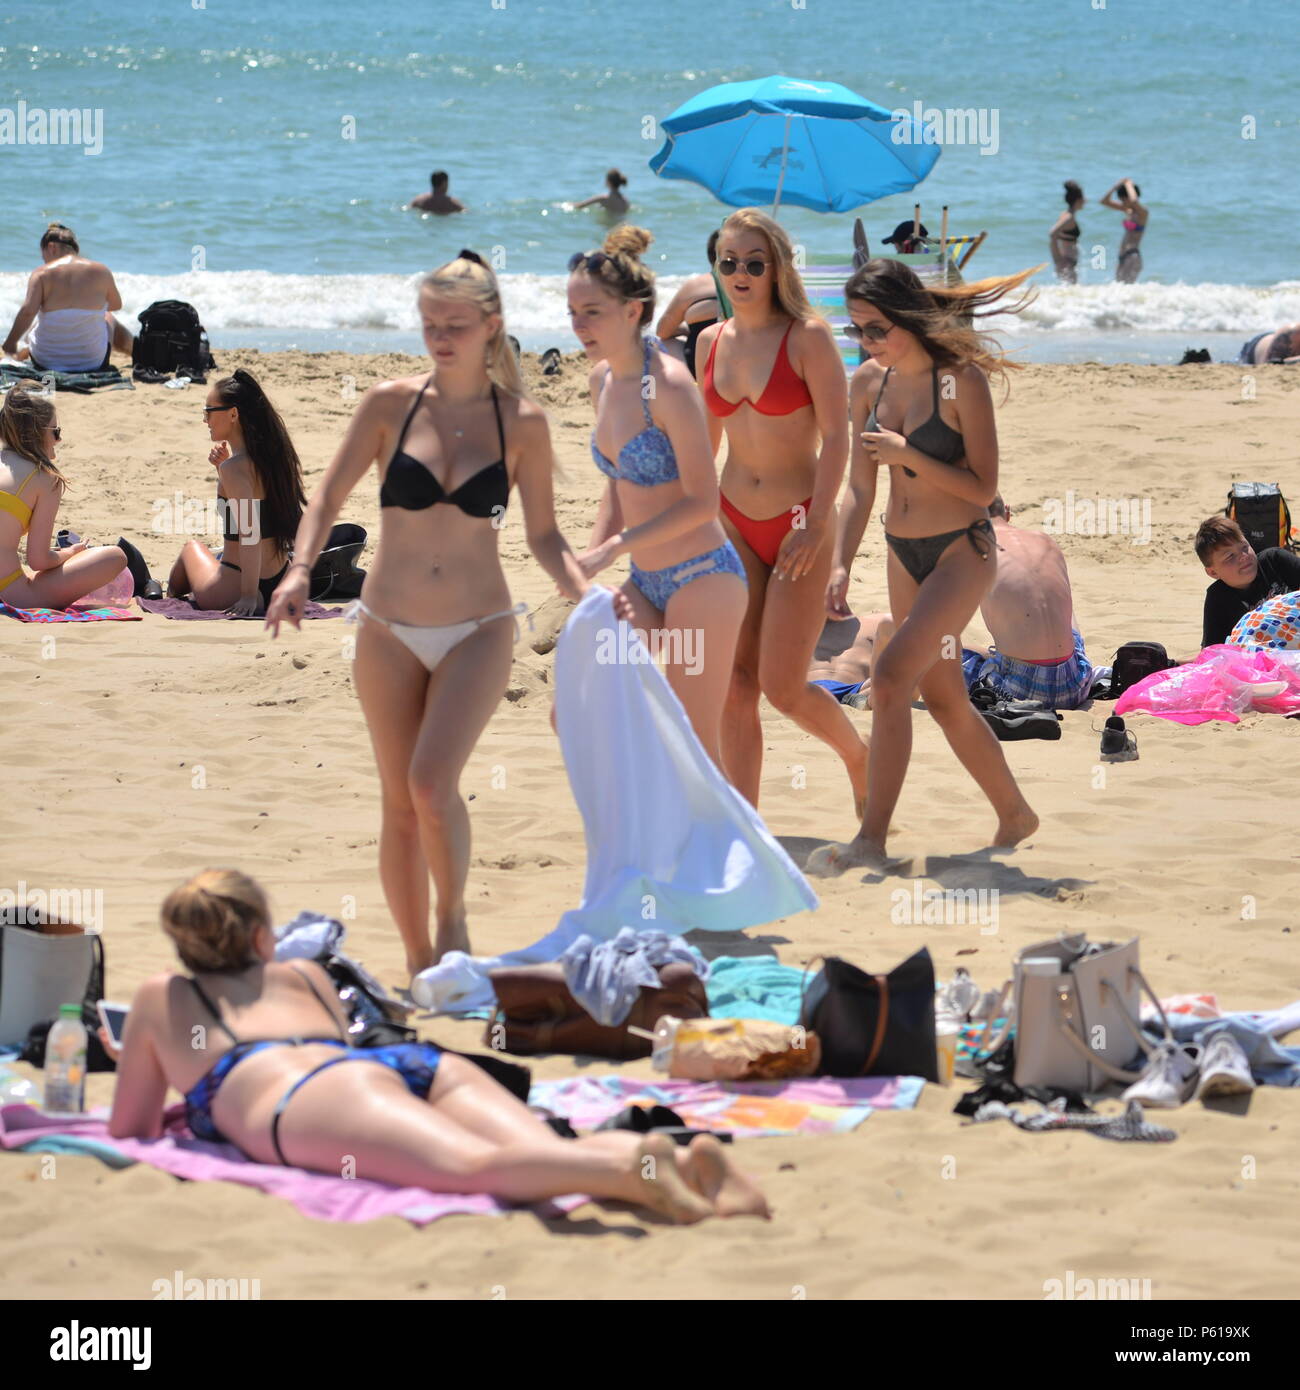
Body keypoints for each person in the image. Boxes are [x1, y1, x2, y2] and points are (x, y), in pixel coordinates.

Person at [264, 250, 608, 980]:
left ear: (492, 326)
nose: (441, 337)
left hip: (479, 630)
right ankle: (420, 961)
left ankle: (452, 922)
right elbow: (325, 498)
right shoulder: (391, 404)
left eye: (456, 324)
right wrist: (297, 570)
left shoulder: (523, 423)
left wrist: (585, 591)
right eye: (430, 324)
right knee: (397, 804)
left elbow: (544, 536)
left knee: (429, 784)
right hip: (386, 629)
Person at [102, 869, 768, 1222]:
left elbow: (130, 1128)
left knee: (476, 1169)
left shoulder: (164, 996)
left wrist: (134, 1053)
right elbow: (342, 1042)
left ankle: (628, 1171)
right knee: (535, 1147)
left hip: (311, 1100)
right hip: (396, 1066)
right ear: (260, 937)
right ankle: (684, 1168)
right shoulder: (303, 973)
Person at [811, 258, 1041, 873]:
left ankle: (872, 840)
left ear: (908, 316)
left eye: (878, 328)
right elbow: (859, 487)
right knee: (945, 700)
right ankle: (1015, 812)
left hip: (961, 553)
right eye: (858, 330)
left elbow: (982, 486)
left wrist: (907, 452)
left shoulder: (959, 381)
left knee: (888, 679)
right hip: (900, 551)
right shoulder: (868, 385)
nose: (869, 342)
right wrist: (839, 563)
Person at [695, 208, 867, 815]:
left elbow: (840, 437)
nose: (740, 273)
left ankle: (858, 756)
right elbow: (708, 445)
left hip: (799, 524)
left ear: (777, 269)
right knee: (734, 687)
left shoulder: (809, 337)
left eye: (754, 263)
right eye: (729, 262)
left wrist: (820, 524)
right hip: (731, 523)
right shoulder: (708, 342)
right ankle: (743, 823)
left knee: (784, 687)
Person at [567, 226, 747, 769]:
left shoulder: (669, 385)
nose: (579, 326)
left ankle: (716, 849)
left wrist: (611, 549)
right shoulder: (601, 381)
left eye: (592, 312)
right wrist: (589, 564)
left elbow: (702, 501)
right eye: (573, 312)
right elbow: (618, 484)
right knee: (593, 707)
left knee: (691, 741)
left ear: (633, 311)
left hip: (704, 579)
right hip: (644, 583)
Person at [167, 370, 306, 616]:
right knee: (211, 555)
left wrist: (249, 596)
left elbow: (250, 535)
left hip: (241, 585)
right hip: (283, 580)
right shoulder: (275, 460)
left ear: (233, 414)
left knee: (191, 548)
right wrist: (223, 469)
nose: (205, 420)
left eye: (209, 411)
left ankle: (167, 596)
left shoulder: (235, 469)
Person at [959, 496, 1095, 709]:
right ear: (1007, 512)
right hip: (1077, 682)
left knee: (940, 648)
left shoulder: (975, 551)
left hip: (1018, 692)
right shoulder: (1046, 541)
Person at [0, 384, 130, 606]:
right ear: (38, 433)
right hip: (9, 591)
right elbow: (38, 560)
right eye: (55, 431)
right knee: (115, 557)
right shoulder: (44, 478)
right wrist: (70, 552)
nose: (58, 440)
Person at [2, 224, 134, 371]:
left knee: (39, 321)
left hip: (44, 361)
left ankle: (23, 352)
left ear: (51, 247)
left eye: (44, 256)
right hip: (92, 362)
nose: (45, 262)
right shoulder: (101, 270)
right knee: (108, 316)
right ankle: (137, 352)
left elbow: (27, 312)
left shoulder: (41, 274)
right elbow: (116, 304)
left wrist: (10, 342)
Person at [1195, 515, 1300, 648]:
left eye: (1244, 547)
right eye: (1230, 556)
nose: (1243, 557)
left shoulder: (1274, 561)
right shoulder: (1218, 598)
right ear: (1213, 572)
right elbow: (1214, 652)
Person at [655, 229, 723, 380]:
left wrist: (687, 330)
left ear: (711, 255)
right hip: (752, 363)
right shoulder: (760, 285)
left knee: (659, 346)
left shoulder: (697, 285)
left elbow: (663, 331)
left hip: (699, 368)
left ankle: (649, 400)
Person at [808, 611, 895, 710]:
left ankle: (864, 701)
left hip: (859, 690)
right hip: (808, 688)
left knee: (892, 684)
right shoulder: (800, 627)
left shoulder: (878, 621)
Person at [1100, 179, 1147, 284]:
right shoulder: (1128, 211)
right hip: (1123, 257)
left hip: (1132, 256)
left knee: (1125, 289)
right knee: (1119, 289)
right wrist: (1115, 187)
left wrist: (1128, 183)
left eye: (1123, 200)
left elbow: (1134, 201)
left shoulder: (1143, 213)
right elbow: (1104, 201)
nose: (1122, 202)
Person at [1048, 181, 1085, 284]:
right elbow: (1052, 233)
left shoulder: (1065, 214)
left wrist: (1058, 261)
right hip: (1067, 263)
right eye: (1083, 198)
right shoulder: (1068, 217)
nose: (1085, 201)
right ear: (1078, 200)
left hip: (1068, 263)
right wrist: (1058, 260)